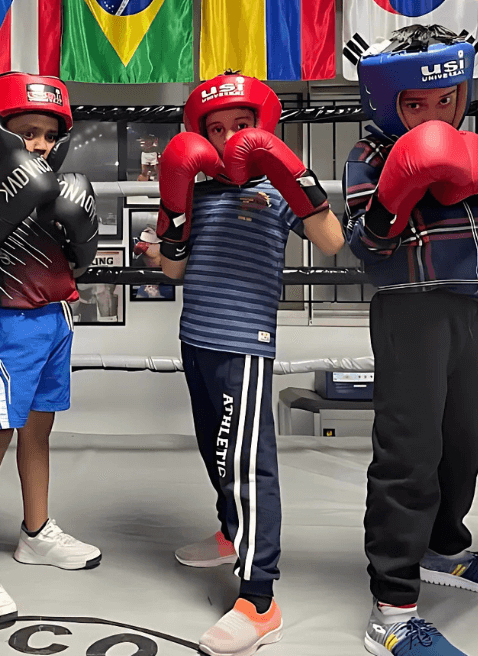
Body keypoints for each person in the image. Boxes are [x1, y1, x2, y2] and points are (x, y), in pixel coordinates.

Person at [344, 25, 478, 656]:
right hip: (409, 315)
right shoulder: (370, 155)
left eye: (445, 99)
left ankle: (443, 547)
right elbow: (366, 248)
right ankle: (391, 609)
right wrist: (401, 190)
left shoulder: (476, 144)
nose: (434, 115)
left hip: (470, 311)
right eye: (415, 105)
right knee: (410, 451)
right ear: (387, 102)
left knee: (464, 441)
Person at [158, 72, 345, 656]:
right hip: (197, 338)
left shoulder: (274, 188)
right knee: (216, 449)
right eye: (216, 130)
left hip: (245, 343)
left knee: (247, 464)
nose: (231, 138)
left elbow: (333, 240)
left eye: (241, 127)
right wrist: (173, 219)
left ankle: (259, 600)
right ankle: (230, 533)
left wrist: (293, 175)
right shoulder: (197, 186)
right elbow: (173, 273)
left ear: (262, 128)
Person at [0, 71, 102, 625]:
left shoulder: (64, 188)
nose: (37, 144)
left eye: (46, 134)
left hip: (55, 320)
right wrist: (1, 207)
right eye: (26, 131)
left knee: (39, 431)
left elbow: (78, 264)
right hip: (4, 325)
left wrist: (83, 228)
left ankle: (35, 532)